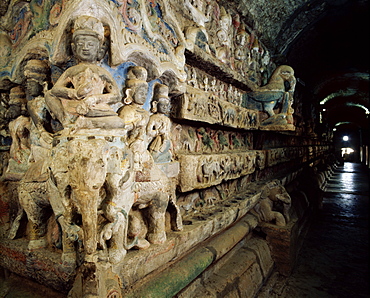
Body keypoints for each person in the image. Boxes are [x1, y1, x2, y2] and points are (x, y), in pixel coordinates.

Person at [45, 15, 125, 133]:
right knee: (48, 95)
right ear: (73, 47)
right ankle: (66, 122)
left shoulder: (102, 72)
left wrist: (95, 98)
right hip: (74, 107)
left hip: (97, 109)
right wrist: (74, 93)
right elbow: (55, 90)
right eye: (81, 44)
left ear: (100, 48)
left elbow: (117, 96)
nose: (85, 48)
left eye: (91, 45)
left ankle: (85, 123)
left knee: (119, 123)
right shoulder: (72, 71)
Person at [146, 84, 172, 163]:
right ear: (155, 104)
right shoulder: (153, 118)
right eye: (163, 104)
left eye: (167, 105)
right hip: (156, 141)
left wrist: (166, 135)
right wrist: (158, 132)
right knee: (154, 156)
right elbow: (148, 132)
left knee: (168, 154)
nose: (165, 107)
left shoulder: (167, 119)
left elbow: (168, 133)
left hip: (165, 142)